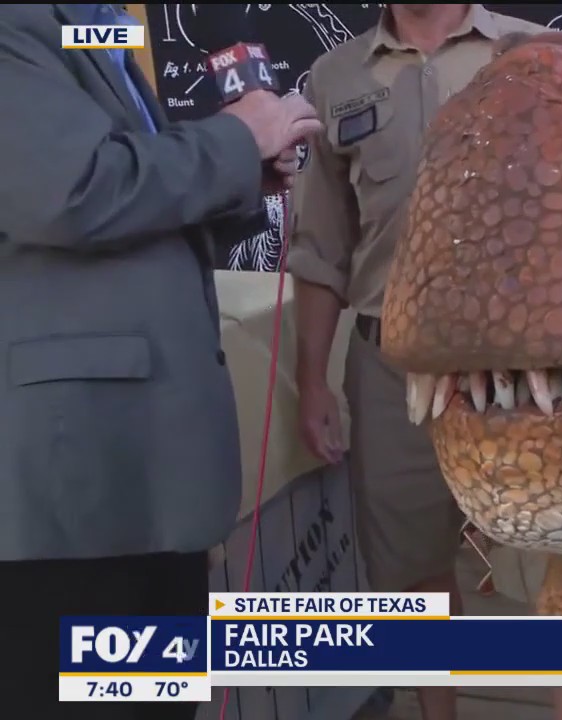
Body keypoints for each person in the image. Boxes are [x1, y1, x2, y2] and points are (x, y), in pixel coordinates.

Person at [0, 3, 321, 718]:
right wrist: (237, 138)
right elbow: (70, 190)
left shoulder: (94, 26)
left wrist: (243, 175)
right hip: (75, 491)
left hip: (140, 481)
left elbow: (125, 202)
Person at [286, 5, 546, 718]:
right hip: (392, 369)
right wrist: (312, 384)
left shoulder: (539, 53)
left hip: (533, 369)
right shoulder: (336, 78)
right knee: (413, 575)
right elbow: (322, 248)